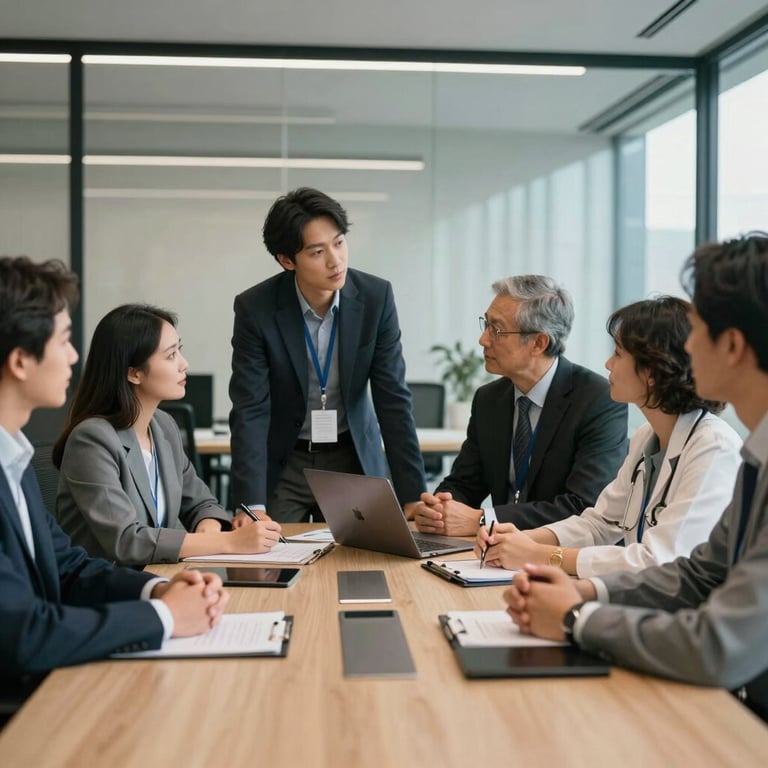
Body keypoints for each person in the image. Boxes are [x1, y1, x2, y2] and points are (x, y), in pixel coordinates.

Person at [504, 233, 768, 721]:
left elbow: (718, 645)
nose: (687, 346)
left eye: (698, 329)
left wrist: (575, 615)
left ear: (732, 345)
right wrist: (583, 591)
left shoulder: (722, 448)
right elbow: (696, 574)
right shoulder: (756, 458)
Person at [0, 257, 228, 696]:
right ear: (21, 361)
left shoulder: (15, 460)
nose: (74, 356)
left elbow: (69, 569)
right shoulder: (78, 441)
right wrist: (165, 617)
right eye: (64, 341)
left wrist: (159, 590)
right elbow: (25, 633)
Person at [476, 296, 742, 576]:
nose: (607, 364)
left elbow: (659, 561)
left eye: (618, 353)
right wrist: (520, 539)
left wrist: (541, 555)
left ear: (652, 370)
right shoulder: (646, 437)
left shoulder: (714, 448)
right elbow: (599, 523)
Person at [229, 187, 425, 523]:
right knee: (270, 552)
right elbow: (250, 408)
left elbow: (393, 399)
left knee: (366, 552)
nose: (335, 260)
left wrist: (412, 495)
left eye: (339, 242)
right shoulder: (256, 309)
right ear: (287, 260)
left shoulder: (375, 298)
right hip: (286, 460)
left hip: (352, 456)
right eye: (318, 252)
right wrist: (252, 505)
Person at [54, 304, 282, 566]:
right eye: (171, 355)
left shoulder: (163, 426)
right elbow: (127, 540)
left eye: (179, 351)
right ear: (134, 373)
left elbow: (202, 503)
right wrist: (229, 542)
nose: (184, 364)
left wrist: (207, 529)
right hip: (107, 584)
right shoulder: (92, 440)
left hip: (159, 575)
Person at [414, 275, 628, 537]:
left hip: (562, 554)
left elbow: (582, 505)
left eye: (497, 330)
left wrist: (484, 520)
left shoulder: (597, 399)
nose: (483, 340)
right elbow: (464, 482)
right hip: (495, 549)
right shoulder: (489, 399)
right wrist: (438, 510)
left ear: (539, 343)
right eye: (486, 324)